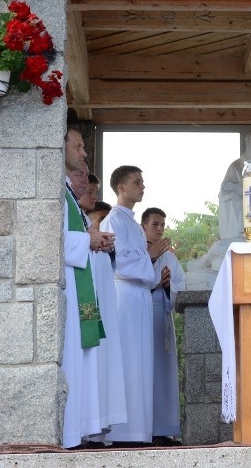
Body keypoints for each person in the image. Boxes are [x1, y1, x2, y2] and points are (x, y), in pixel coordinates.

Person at [99, 165, 162, 446]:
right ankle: (124, 431)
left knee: (141, 362)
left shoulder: (135, 226)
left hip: (140, 297)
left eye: (143, 181)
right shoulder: (113, 221)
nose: (142, 186)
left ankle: (141, 430)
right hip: (124, 296)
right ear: (121, 187)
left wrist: (148, 258)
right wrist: (149, 256)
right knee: (128, 361)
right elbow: (120, 262)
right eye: (137, 182)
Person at [61, 128, 114, 449]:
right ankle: (69, 432)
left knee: (82, 358)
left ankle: (76, 430)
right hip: (66, 292)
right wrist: (88, 239)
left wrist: (93, 240)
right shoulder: (55, 190)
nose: (83, 153)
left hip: (77, 289)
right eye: (78, 146)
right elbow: (45, 237)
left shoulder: (67, 194)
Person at [78, 170, 128, 442]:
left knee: (102, 361)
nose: (92, 195)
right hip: (85, 307)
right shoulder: (81, 224)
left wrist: (107, 249)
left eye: (96, 192)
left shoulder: (90, 224)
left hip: (102, 308)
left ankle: (96, 427)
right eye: (88, 190)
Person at [141, 207, 185, 446]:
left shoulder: (170, 257)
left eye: (162, 225)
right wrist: (155, 283)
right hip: (141, 316)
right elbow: (124, 279)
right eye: (155, 224)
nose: (159, 229)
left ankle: (162, 431)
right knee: (143, 373)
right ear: (144, 226)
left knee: (163, 376)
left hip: (162, 318)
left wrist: (167, 287)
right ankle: (142, 429)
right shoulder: (137, 250)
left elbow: (181, 284)